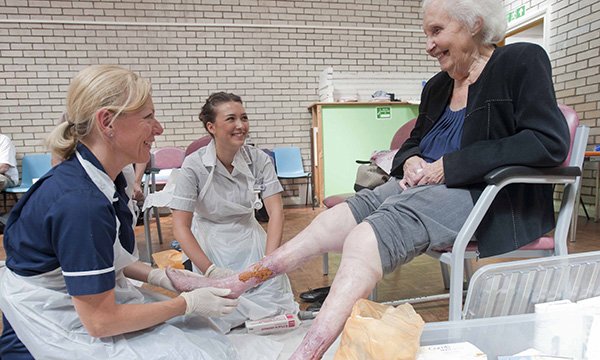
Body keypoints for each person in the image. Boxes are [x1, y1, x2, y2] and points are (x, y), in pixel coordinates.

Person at [165, 0, 571, 358]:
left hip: (482, 191)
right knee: (329, 222)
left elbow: (547, 141)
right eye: (426, 33)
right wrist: (410, 161)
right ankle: (238, 283)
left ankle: (308, 351)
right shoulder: (437, 86)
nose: (428, 44)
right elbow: (414, 143)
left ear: (474, 24)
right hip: (422, 184)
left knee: (363, 238)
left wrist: (453, 164)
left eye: (436, 31)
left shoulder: (520, 61)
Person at [0, 65, 241, 360]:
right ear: (107, 122)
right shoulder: (80, 204)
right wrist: (186, 303)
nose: (159, 128)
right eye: (148, 117)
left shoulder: (109, 178)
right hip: (53, 317)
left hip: (81, 299)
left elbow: (105, 253)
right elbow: (101, 321)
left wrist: (162, 277)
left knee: (202, 335)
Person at [170, 92, 298, 333]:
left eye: (244, 117)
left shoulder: (259, 159)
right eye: (231, 119)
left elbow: (276, 212)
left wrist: (268, 263)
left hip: (251, 239)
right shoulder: (194, 166)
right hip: (210, 242)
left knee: (273, 301)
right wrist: (210, 270)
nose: (241, 126)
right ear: (211, 126)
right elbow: (180, 226)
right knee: (221, 311)